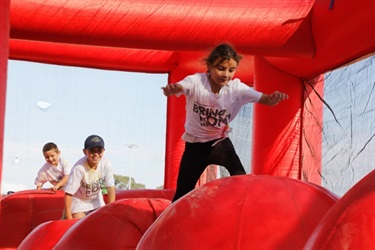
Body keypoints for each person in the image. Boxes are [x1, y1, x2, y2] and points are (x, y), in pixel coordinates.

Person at [162, 43, 289, 202]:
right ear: (209, 66)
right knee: (182, 193)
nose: (226, 74)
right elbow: (183, 86)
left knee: (241, 179)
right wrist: (175, 89)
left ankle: (243, 213)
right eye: (220, 68)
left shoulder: (237, 89)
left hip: (219, 144)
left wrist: (273, 98)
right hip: (194, 147)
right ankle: (173, 223)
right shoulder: (197, 82)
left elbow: (266, 100)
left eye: (231, 70)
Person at [64, 135, 116, 219]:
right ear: (85, 152)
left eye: (99, 151)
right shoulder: (79, 168)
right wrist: (68, 217)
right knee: (80, 224)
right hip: (79, 202)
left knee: (103, 221)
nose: (96, 154)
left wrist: (111, 210)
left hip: (96, 200)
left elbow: (110, 188)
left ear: (103, 151)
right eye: (92, 151)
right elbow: (68, 194)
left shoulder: (106, 164)